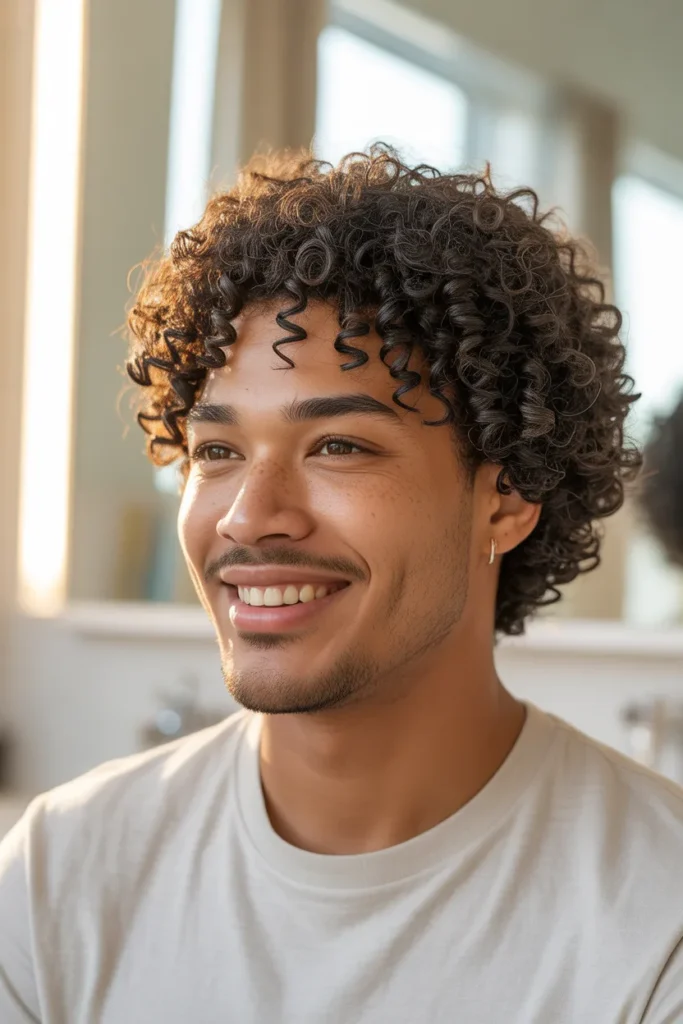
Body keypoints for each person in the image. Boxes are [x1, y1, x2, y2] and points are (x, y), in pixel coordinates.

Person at [1, 145, 681, 1024]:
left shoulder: (656, 920)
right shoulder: (61, 874)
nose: (250, 516)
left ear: (506, 498)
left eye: (338, 447)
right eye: (217, 452)